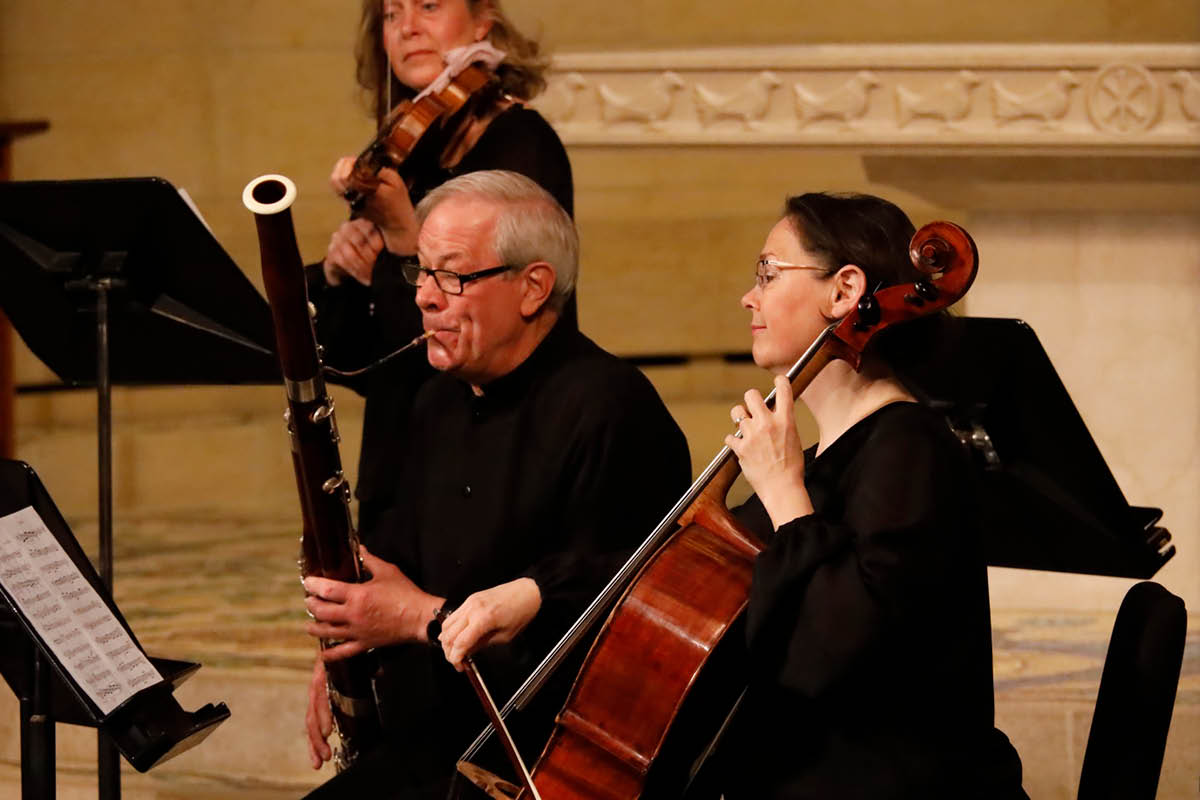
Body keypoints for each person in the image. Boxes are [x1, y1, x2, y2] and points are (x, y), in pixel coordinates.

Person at [301, 171, 691, 798]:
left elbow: (609, 633)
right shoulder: (435, 401)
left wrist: (417, 619)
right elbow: (394, 566)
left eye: (451, 276)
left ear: (533, 287)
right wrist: (353, 643)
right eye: (421, 273)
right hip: (432, 748)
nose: (426, 298)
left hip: (540, 767)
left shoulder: (610, 409)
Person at [713, 192, 1027, 798]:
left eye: (767, 273)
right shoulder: (827, 457)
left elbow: (837, 653)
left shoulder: (912, 449)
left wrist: (783, 492)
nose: (748, 297)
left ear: (844, 290)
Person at [309, 0, 574, 533]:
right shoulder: (410, 149)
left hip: (491, 461)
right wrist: (340, 275)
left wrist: (405, 241)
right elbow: (376, 361)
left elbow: (488, 337)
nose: (407, 28)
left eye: (429, 5)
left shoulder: (523, 144)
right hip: (403, 457)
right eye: (390, 14)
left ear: (484, 19)